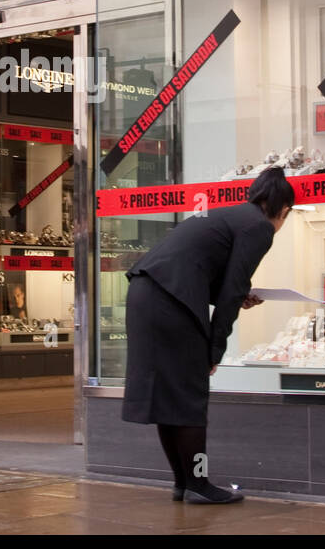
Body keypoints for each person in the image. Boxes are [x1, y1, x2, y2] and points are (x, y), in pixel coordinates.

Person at [122, 167, 294, 504]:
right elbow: (232, 291)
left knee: (170, 398)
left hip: (145, 295)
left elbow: (211, 276)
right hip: (171, 302)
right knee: (189, 397)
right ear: (283, 210)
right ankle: (199, 484)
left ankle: (183, 483)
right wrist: (214, 351)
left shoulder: (229, 216)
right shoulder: (259, 226)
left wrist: (236, 296)